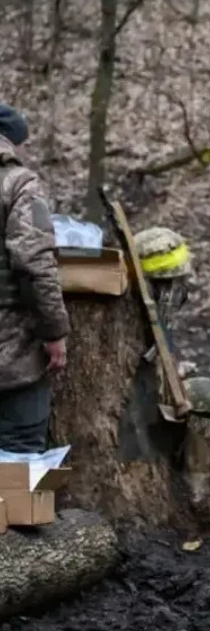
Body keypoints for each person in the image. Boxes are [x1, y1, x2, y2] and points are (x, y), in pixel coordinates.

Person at [0, 103, 69, 453]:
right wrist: (54, 331)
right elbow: (34, 264)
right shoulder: (18, 184)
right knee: (18, 455)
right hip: (12, 351)